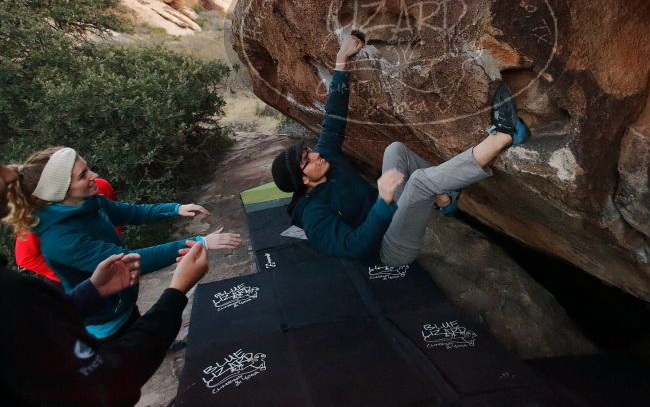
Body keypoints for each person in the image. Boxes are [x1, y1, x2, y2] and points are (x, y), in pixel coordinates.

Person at [271, 32, 529, 266]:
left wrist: (342, 59)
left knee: (395, 150)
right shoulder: (312, 214)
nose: (315, 154)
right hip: (388, 249)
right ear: (304, 179)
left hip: (391, 214)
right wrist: (383, 200)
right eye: (308, 159)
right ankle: (503, 135)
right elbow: (351, 247)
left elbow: (334, 116)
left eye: (309, 151)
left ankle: (444, 199)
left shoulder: (327, 158)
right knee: (418, 183)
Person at [0, 162, 211, 406]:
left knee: (132, 322)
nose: (10, 173)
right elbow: (107, 384)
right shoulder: (22, 283)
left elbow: (43, 324)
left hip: (114, 301)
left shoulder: (92, 201)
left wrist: (90, 292)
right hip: (104, 324)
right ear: (61, 189)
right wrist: (176, 292)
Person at [2, 146, 241, 340]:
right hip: (104, 321)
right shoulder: (61, 239)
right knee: (129, 366)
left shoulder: (87, 202)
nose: (94, 176)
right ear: (60, 190)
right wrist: (201, 242)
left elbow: (130, 213)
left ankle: (159, 344)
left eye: (88, 169)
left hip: (122, 299)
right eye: (83, 175)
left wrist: (175, 208)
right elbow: (128, 261)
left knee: (139, 328)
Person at [15, 177, 120, 285]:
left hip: (110, 262)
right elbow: (25, 257)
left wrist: (114, 246)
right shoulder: (36, 215)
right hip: (75, 283)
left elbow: (115, 216)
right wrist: (71, 272)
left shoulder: (99, 186)